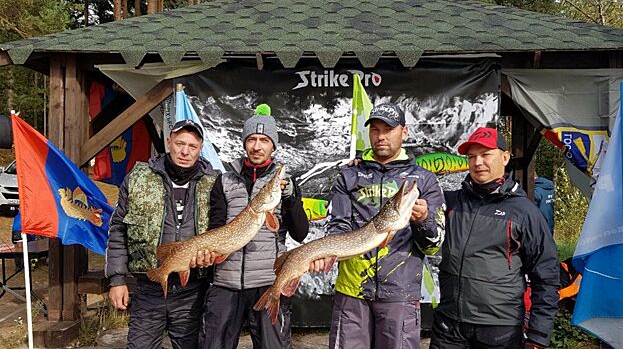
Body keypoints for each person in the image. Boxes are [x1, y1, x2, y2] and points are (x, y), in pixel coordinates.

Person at [310, 103, 446, 349]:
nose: (381, 136)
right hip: (352, 293)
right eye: (375, 130)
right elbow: (337, 226)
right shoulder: (349, 175)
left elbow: (434, 245)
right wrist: (325, 253)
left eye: (388, 129)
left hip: (400, 295)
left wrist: (423, 220)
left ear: (404, 132)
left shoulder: (424, 180)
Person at [430, 127, 560, 349]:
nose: (478, 162)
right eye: (471, 157)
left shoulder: (525, 212)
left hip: (500, 329)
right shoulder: (450, 202)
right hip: (449, 325)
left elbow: (546, 275)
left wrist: (538, 334)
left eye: (485, 154)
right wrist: (361, 165)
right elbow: (409, 187)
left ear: (505, 157)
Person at [197, 104, 309, 349]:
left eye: (264, 140)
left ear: (273, 145)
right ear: (244, 142)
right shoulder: (224, 181)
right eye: (252, 139)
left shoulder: (284, 186)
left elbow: (300, 233)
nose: (257, 146)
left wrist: (291, 198)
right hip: (226, 283)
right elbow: (216, 228)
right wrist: (207, 253)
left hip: (268, 282)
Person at [105, 119, 218, 349]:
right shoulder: (138, 178)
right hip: (149, 288)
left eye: (192, 146)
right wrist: (117, 280)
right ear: (169, 142)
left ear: (200, 148)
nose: (185, 151)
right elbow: (118, 229)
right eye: (179, 144)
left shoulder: (214, 183)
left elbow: (222, 229)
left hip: (192, 290)